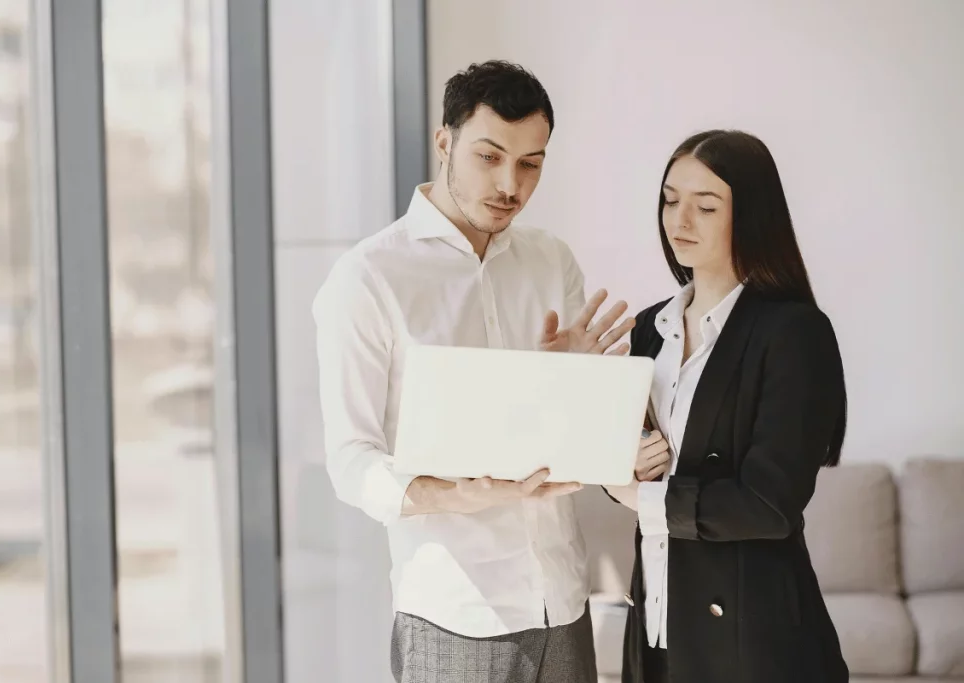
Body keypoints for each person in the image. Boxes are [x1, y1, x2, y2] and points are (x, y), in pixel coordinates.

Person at [312, 60, 632, 683]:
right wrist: (456, 495)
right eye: (489, 156)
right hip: (454, 612)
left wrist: (581, 391)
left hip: (562, 602)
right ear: (444, 142)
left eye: (530, 163)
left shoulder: (550, 260)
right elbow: (350, 458)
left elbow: (577, 441)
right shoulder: (368, 278)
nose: (509, 184)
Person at [604, 130, 849, 683]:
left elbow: (770, 503)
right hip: (657, 624)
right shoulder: (650, 328)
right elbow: (626, 469)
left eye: (705, 206)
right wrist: (621, 463)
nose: (679, 220)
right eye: (670, 200)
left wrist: (646, 497)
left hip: (754, 640)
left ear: (751, 216)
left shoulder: (794, 333)